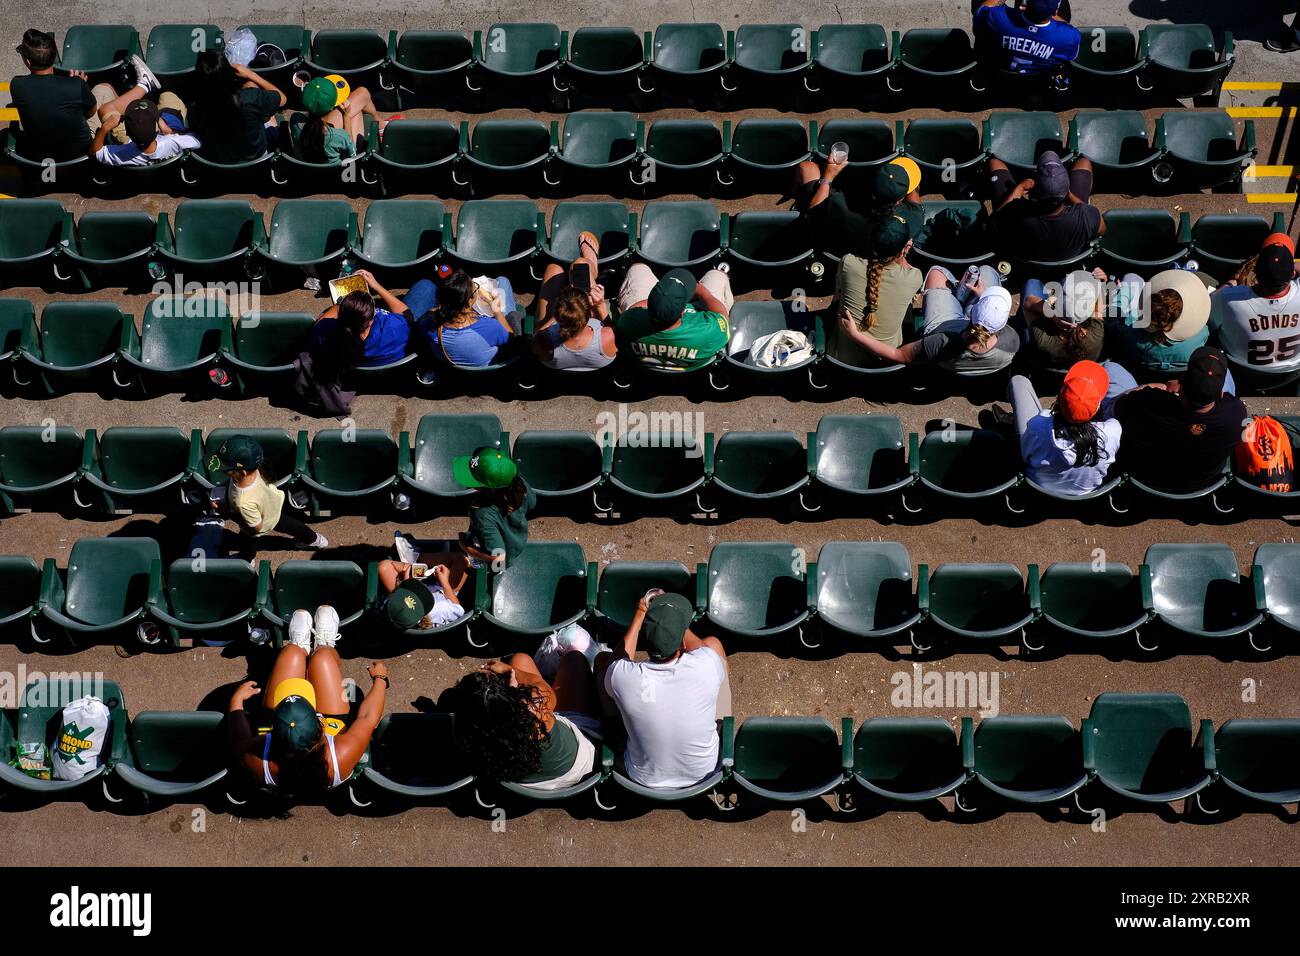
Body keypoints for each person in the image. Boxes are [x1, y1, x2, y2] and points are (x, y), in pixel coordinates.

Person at [228, 607, 388, 793]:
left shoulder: (260, 761)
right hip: (329, 733)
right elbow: (368, 718)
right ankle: (324, 646)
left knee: (291, 653)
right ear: (319, 721)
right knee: (323, 658)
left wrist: (236, 700)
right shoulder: (341, 755)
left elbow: (239, 741)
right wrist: (380, 679)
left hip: (292, 742)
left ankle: (300, 646)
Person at [601, 592, 730, 790]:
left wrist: (640, 616)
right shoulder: (706, 663)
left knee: (603, 662)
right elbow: (702, 647)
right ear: (681, 642)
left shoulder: (622, 675)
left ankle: (614, 721)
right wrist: (674, 621)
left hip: (642, 779)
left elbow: (616, 661)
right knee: (714, 645)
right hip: (705, 774)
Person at [444, 653, 600, 791]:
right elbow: (540, 684)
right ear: (513, 697)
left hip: (523, 784)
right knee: (573, 659)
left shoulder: (468, 731)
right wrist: (509, 672)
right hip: (579, 767)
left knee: (520, 659)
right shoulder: (537, 714)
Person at [1110, 346, 1250, 493]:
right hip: (1203, 486)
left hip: (1146, 482)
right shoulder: (1236, 413)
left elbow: (1117, 405)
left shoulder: (1148, 403)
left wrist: (1156, 387)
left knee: (1112, 368)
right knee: (1224, 373)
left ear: (1181, 383)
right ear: (1221, 394)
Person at [838, 266, 1018, 373]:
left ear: (973, 314)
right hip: (970, 344)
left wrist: (855, 334)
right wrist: (980, 297)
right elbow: (982, 333)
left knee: (937, 272)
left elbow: (897, 355)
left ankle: (957, 293)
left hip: (945, 329)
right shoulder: (1012, 341)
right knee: (987, 271)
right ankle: (960, 295)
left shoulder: (940, 342)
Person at [1001, 359, 1122, 494]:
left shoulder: (1039, 424)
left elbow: (1024, 456)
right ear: (1097, 407)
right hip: (1086, 494)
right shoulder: (1113, 431)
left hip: (1038, 488)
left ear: (1059, 398)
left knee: (1018, 381)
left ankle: (1012, 422)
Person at [9, 28, 121, 162]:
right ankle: (125, 139)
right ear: (54, 57)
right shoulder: (75, 86)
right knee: (104, 89)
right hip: (82, 155)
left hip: (41, 158)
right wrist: (79, 85)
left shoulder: (17, 85)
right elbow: (91, 112)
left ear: (27, 61)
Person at [826, 215, 923, 365]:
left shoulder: (848, 263)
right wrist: (903, 253)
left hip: (842, 360)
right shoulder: (914, 277)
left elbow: (837, 297)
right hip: (887, 362)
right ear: (905, 248)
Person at [793, 154, 924, 257]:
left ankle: (798, 206)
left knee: (806, 168)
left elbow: (812, 214)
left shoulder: (841, 204)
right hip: (851, 259)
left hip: (829, 243)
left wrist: (828, 177)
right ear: (899, 200)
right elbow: (914, 199)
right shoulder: (911, 220)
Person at [211, 434, 328, 549]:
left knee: (246, 541)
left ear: (242, 472)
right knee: (294, 526)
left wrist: (227, 513)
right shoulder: (255, 469)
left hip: (263, 521)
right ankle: (314, 540)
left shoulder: (243, 502)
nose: (224, 472)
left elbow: (256, 527)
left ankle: (246, 560)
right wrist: (222, 487)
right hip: (275, 502)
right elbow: (232, 481)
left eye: (227, 470)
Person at [990, 150, 1103, 264]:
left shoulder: (1019, 215)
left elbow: (995, 221)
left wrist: (1019, 188)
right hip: (1066, 264)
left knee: (995, 163)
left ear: (1034, 192)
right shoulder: (1087, 216)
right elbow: (1102, 230)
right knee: (1084, 162)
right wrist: (1068, 193)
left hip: (1025, 264)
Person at [615, 265, 732, 372]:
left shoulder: (629, 322)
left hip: (645, 370)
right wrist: (702, 292)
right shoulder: (706, 330)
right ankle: (721, 271)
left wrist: (659, 301)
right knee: (717, 275)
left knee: (638, 268)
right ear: (683, 312)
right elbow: (723, 316)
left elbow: (632, 308)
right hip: (693, 373)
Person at [1211, 234, 1300, 371]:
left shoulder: (1228, 298)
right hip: (1290, 374)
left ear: (1256, 272)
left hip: (1239, 371)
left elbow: (1207, 313)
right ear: (1293, 274)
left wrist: (1229, 284)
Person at [533, 230, 617, 370]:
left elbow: (536, 339)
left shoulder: (544, 340)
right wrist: (600, 306)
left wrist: (558, 313)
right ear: (588, 314)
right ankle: (589, 263)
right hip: (596, 357)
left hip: (556, 364)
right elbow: (619, 341)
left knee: (553, 269)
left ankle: (586, 265)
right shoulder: (607, 336)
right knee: (580, 264)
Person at [1106, 268, 1213, 374]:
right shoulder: (1200, 336)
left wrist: (1123, 294)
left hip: (1136, 364)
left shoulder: (1133, 335)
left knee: (1132, 278)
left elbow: (1113, 322)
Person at [188, 50, 286, 164]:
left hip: (224, 163)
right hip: (259, 158)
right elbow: (283, 99)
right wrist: (251, 74)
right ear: (228, 71)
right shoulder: (250, 98)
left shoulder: (197, 106)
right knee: (262, 103)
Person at [310, 269, 416, 369]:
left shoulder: (328, 334)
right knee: (425, 285)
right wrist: (376, 285)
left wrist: (339, 305)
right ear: (370, 322)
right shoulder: (394, 328)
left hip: (354, 372)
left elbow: (318, 324)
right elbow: (407, 315)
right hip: (389, 366)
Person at [418, 269, 526, 367]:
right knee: (503, 281)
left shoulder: (427, 324)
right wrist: (496, 310)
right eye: (475, 290)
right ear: (470, 302)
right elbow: (511, 339)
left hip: (450, 367)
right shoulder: (490, 327)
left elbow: (429, 317)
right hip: (491, 367)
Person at [1018, 267, 1106, 367]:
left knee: (1032, 283)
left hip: (1039, 350)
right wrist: (1102, 283)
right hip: (1060, 364)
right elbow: (1099, 311)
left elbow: (1028, 304)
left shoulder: (1042, 341)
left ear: (1056, 301)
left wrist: (1052, 314)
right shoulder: (1097, 336)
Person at [973, 0, 1081, 76]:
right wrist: (1044, 12)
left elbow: (982, 10)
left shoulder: (998, 18)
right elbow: (1066, 28)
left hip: (996, 80)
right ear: (1055, 11)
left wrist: (1031, 10)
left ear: (1024, 4)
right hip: (1038, 90)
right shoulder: (1069, 36)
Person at [289, 74, 381, 163]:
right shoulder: (339, 136)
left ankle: (382, 125)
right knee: (357, 112)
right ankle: (382, 126)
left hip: (308, 170)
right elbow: (352, 157)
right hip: (342, 174)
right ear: (331, 108)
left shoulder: (295, 122)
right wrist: (346, 117)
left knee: (357, 111)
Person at [91, 95, 201, 167]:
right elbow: (197, 139)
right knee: (167, 95)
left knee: (105, 109)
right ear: (157, 129)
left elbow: (95, 152)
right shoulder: (174, 143)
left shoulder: (123, 154)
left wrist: (105, 128)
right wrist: (171, 133)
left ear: (127, 133)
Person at [379, 562, 466, 632]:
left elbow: (405, 602)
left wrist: (406, 580)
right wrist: (445, 582)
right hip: (445, 591)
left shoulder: (391, 609)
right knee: (462, 561)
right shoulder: (441, 608)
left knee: (384, 567)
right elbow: (458, 609)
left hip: (428, 587)